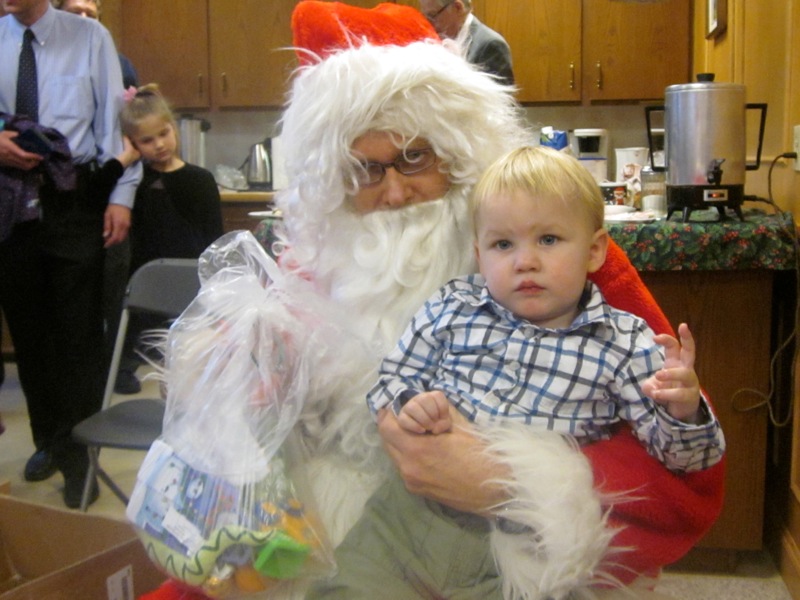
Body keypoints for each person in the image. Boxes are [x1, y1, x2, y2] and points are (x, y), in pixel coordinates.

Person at [143, 3, 724, 599]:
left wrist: (506, 479)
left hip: (506, 560)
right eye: (366, 171)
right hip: (338, 551)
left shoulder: (544, 254)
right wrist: (230, 378)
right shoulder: (311, 261)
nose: (394, 192)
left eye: (414, 157)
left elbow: (690, 482)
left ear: (457, 148)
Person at [336, 146, 725, 597]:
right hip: (405, 518)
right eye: (503, 245)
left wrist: (683, 410)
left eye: (548, 240)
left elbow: (684, 461)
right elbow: (394, 377)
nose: (525, 261)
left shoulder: (625, 342)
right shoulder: (452, 305)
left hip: (517, 547)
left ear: (595, 250)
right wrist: (410, 405)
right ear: (479, 256)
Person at [0, 0, 141, 508]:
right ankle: (51, 444)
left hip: (74, 200)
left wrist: (121, 196)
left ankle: (82, 456)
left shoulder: (88, 38)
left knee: (78, 338)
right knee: (31, 338)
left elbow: (113, 124)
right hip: (11, 203)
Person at [51, 0, 141, 394]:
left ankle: (115, 365)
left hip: (105, 186)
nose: (84, 18)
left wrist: (121, 189)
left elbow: (128, 126)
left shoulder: (115, 61)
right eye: (75, 10)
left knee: (108, 291)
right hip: (55, 193)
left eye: (92, 12)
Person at [116, 84, 222, 373]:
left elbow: (214, 237)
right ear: (133, 144)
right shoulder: (131, 184)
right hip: (144, 276)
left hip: (189, 278)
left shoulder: (200, 179)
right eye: (147, 140)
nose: (159, 144)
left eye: (163, 134)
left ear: (173, 128)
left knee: (186, 358)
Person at [419, 0, 515, 86]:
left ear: (458, 7)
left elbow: (499, 103)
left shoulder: (491, 45)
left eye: (432, 15)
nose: (429, 23)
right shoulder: (433, 40)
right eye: (425, 16)